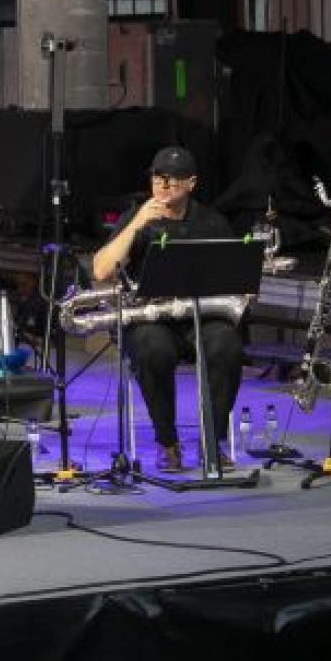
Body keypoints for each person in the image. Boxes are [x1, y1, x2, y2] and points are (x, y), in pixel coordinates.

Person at [91, 146, 241, 473]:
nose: (164, 184)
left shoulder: (212, 222)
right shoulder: (137, 218)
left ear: (191, 183)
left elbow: (233, 276)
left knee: (226, 344)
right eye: (158, 177)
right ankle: (167, 443)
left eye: (173, 179)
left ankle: (211, 441)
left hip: (199, 316)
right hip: (150, 318)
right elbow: (101, 270)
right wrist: (137, 223)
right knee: (152, 348)